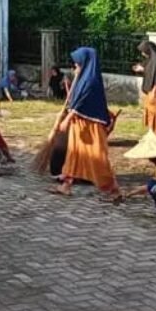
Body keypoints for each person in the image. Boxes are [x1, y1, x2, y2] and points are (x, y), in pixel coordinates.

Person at [48, 47, 120, 199]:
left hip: (90, 126)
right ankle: (66, 185)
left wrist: (67, 119)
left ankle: (113, 190)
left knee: (96, 157)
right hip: (80, 124)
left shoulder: (91, 80)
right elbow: (75, 98)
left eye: (78, 63)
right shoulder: (83, 78)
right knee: (74, 155)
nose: (75, 66)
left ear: (85, 62)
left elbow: (81, 102)